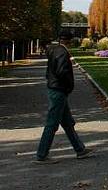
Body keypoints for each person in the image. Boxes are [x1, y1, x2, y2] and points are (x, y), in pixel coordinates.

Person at [34, 30, 93, 163]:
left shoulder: (54, 50)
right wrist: (68, 87)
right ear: (69, 41)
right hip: (59, 91)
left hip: (55, 89)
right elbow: (62, 72)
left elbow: (49, 72)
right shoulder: (62, 52)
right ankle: (41, 155)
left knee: (67, 123)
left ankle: (80, 150)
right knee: (52, 123)